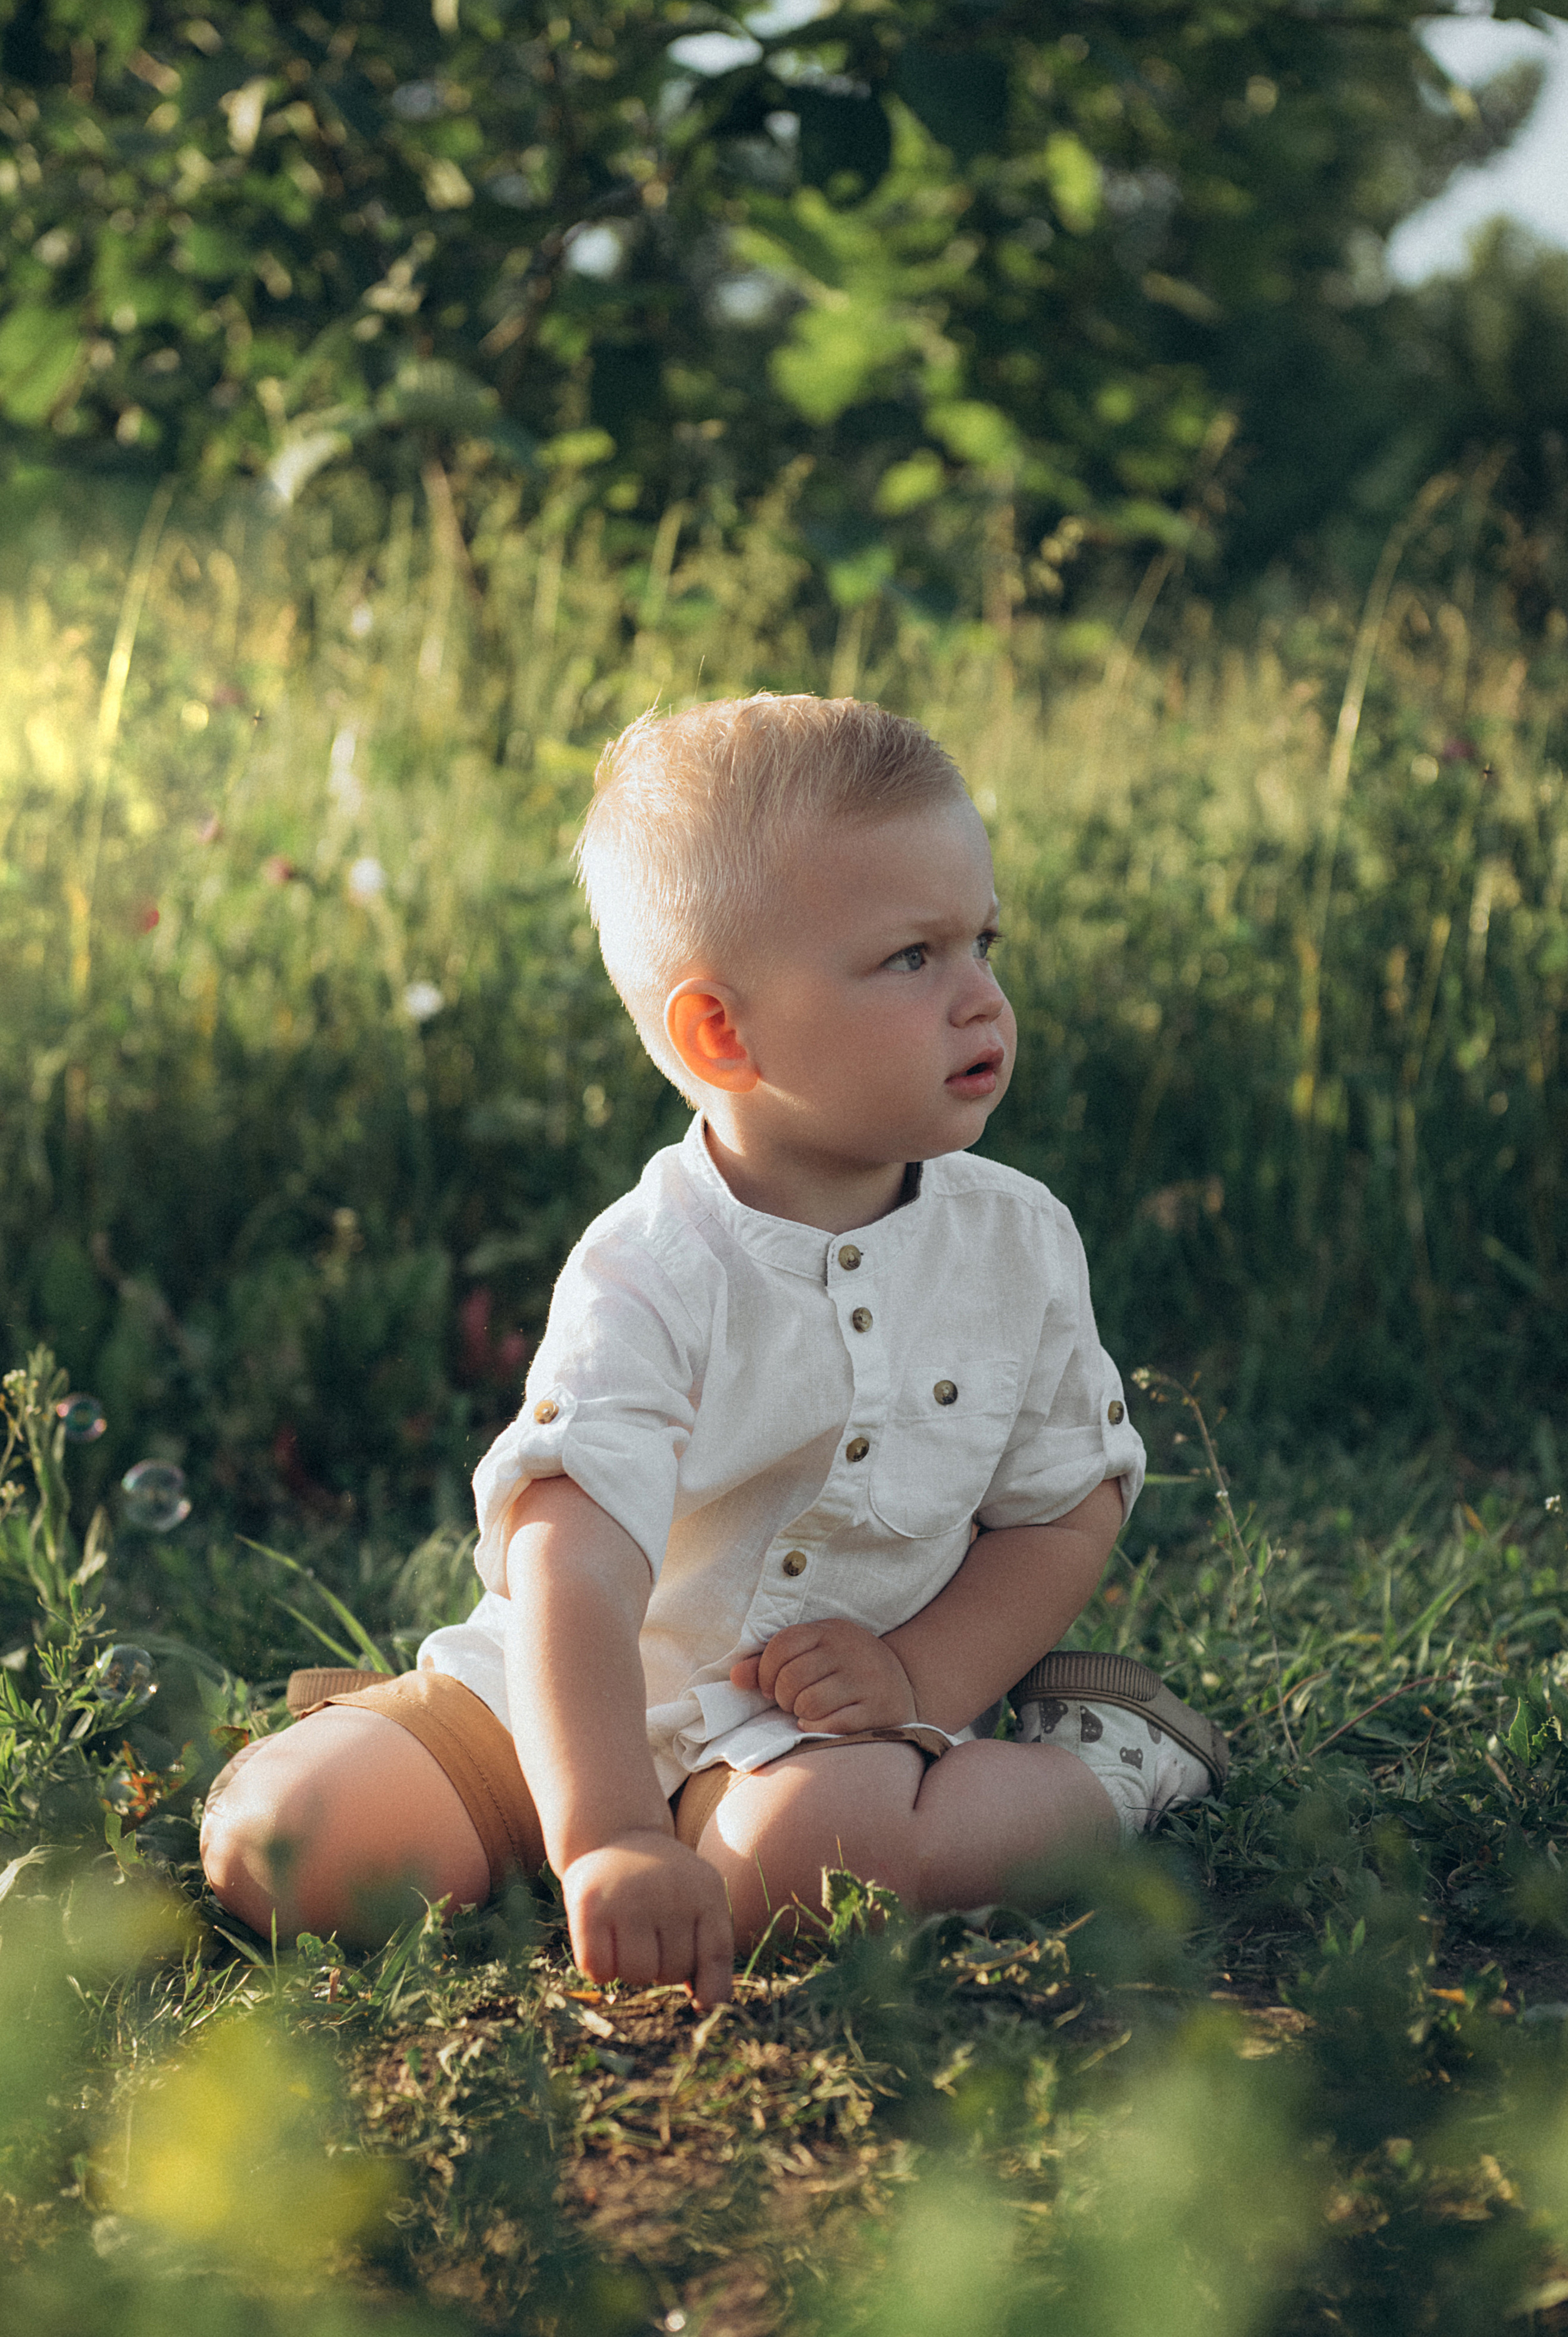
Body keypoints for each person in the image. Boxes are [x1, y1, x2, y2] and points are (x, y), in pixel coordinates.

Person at [201, 695, 1225, 2009]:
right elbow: (572, 1563)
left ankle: (1110, 1762)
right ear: (719, 1035)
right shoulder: (652, 1267)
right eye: (911, 957)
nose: (982, 996)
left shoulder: (1015, 1243)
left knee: (804, 1870)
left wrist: (919, 1675)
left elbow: (1063, 1506)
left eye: (983, 940)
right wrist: (608, 1834)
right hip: (574, 1689)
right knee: (284, 1846)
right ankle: (466, 1783)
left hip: (820, 1715)